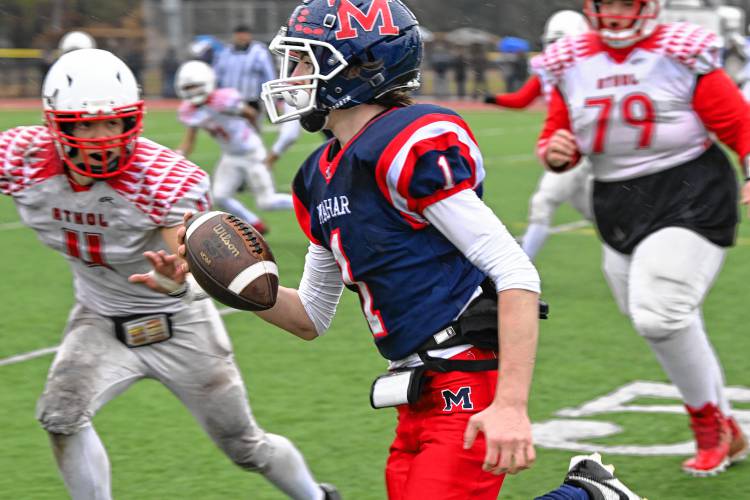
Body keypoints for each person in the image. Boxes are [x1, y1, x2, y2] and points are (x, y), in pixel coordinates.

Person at [148, 1, 541, 498]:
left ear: (358, 66)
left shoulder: (406, 145)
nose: (291, 75)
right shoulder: (319, 176)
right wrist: (219, 278)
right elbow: (309, 316)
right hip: (414, 388)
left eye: (304, 61)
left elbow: (514, 270)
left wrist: (510, 403)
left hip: (464, 373)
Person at [0, 48, 336, 500]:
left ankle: (317, 497)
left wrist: (180, 280)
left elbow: (193, 261)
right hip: (99, 318)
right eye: (84, 124)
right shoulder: (21, 157)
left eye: (112, 123)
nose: (101, 138)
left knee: (245, 447)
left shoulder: (162, 177)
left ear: (131, 121)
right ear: (56, 124)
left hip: (180, 323)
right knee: (60, 417)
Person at [536, 0, 749, 476]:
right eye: (605, 3)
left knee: (659, 315)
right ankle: (726, 426)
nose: (614, 12)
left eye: (624, 2)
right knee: (659, 316)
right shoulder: (569, 60)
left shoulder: (680, 50)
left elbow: (738, 122)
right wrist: (556, 153)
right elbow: (555, 137)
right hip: (616, 199)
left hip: (689, 190)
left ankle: (708, 426)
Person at [485, 10, 593, 260]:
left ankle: (521, 269)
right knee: (597, 212)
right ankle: (629, 244)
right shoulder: (550, 71)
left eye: (562, 43)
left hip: (584, 148)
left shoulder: (592, 73)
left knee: (543, 204)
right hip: (568, 148)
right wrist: (493, 98)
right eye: (553, 44)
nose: (557, 52)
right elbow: (523, 99)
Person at [174, 60, 294, 234]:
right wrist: (179, 155)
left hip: (252, 153)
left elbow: (250, 114)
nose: (192, 92)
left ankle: (306, 202)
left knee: (266, 202)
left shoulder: (224, 99)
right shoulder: (190, 111)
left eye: (195, 86)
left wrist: (253, 134)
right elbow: (189, 140)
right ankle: (254, 223)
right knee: (220, 196)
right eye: (188, 88)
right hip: (230, 156)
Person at [213, 24, 277, 112]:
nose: (241, 38)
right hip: (227, 99)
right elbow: (217, 74)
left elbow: (269, 75)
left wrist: (271, 97)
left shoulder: (259, 52)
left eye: (244, 35)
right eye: (239, 35)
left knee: (250, 124)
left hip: (251, 100)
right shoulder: (225, 52)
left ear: (249, 36)